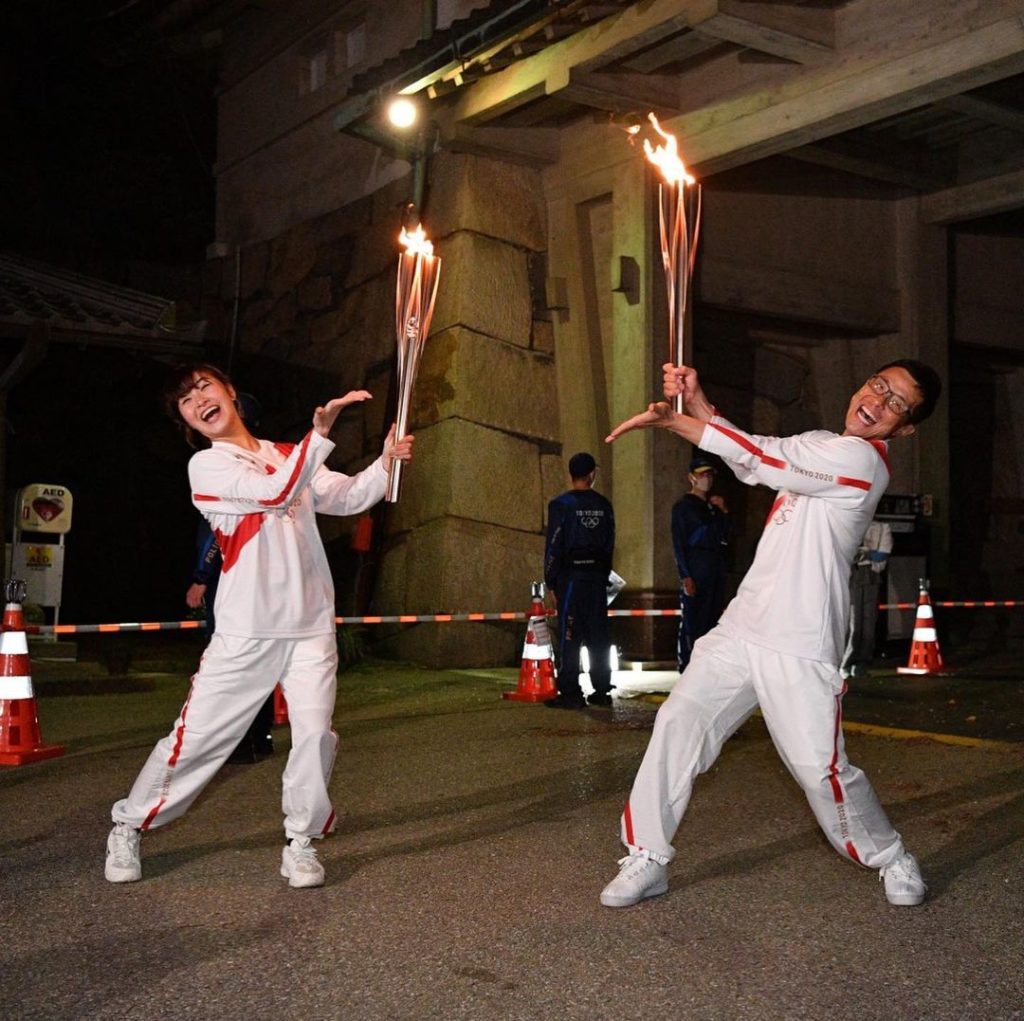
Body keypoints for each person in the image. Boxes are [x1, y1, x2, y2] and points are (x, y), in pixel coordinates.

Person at [599, 359, 941, 909]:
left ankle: (890, 856)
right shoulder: (821, 440)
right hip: (743, 626)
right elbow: (758, 455)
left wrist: (679, 423)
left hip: (801, 643)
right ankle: (648, 856)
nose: (878, 401)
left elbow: (760, 458)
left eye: (896, 403)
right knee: (678, 721)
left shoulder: (861, 461)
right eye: (879, 386)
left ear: (903, 430)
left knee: (820, 771)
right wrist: (700, 398)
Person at [104, 363, 413, 889]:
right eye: (185, 400)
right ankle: (128, 824)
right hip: (248, 630)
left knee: (314, 736)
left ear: (229, 391)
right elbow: (273, 494)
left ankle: (301, 842)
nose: (198, 399)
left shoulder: (286, 454)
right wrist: (318, 436)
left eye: (204, 386)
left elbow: (345, 497)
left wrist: (386, 462)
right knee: (199, 740)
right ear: (188, 423)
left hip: (311, 623)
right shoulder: (208, 468)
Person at [543, 452, 616, 709]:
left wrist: (551, 580)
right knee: (598, 635)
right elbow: (609, 544)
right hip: (596, 579)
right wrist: (604, 574)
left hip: (571, 579)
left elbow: (554, 543)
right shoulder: (604, 505)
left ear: (571, 474)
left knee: (570, 634)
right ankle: (602, 689)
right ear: (592, 474)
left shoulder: (561, 505)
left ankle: (572, 692)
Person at [672, 455, 731, 672]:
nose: (707, 479)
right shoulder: (683, 507)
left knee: (711, 620)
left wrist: (723, 511)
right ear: (691, 478)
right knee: (693, 621)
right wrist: (685, 575)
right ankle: (687, 666)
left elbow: (724, 537)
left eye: (709, 474)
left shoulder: (712, 507)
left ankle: (706, 666)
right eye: (702, 474)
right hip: (696, 568)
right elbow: (679, 543)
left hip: (714, 569)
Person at [841, 519, 894, 679]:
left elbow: (883, 553)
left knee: (869, 623)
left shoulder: (882, 526)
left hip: (870, 574)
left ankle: (861, 663)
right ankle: (846, 663)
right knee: (854, 623)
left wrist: (866, 553)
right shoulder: (849, 522)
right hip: (852, 575)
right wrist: (868, 553)